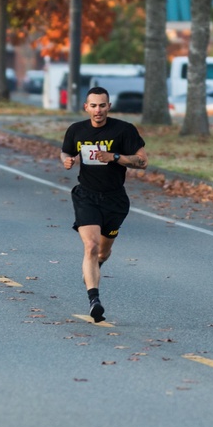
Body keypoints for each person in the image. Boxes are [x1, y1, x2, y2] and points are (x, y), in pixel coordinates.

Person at [60, 86, 148, 323]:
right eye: (93, 105)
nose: (97, 110)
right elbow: (66, 151)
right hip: (86, 195)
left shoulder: (124, 130)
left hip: (115, 200)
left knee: (103, 251)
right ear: (86, 107)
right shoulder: (76, 130)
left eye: (102, 105)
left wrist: (115, 157)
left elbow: (142, 162)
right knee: (90, 245)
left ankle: (95, 265)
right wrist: (68, 160)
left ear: (109, 106)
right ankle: (94, 300)